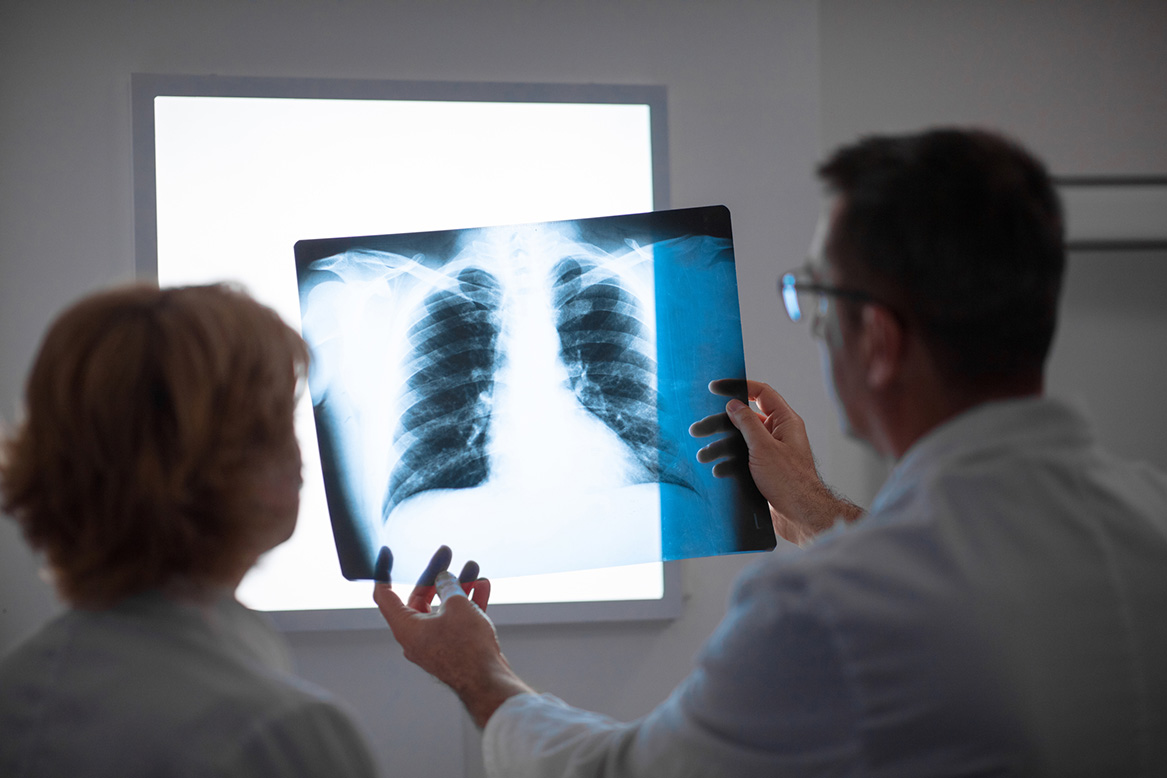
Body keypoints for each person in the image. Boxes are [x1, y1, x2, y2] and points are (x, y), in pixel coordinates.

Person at [373, 128, 1167, 776]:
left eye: (812, 295)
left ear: (879, 343)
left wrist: (477, 675)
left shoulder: (824, 610)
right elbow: (976, 578)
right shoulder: (1148, 513)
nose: (808, 323)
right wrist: (816, 509)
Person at [0, 283, 380, 777]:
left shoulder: (15, 691)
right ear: (224, 462)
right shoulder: (282, 736)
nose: (299, 451)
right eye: (279, 418)